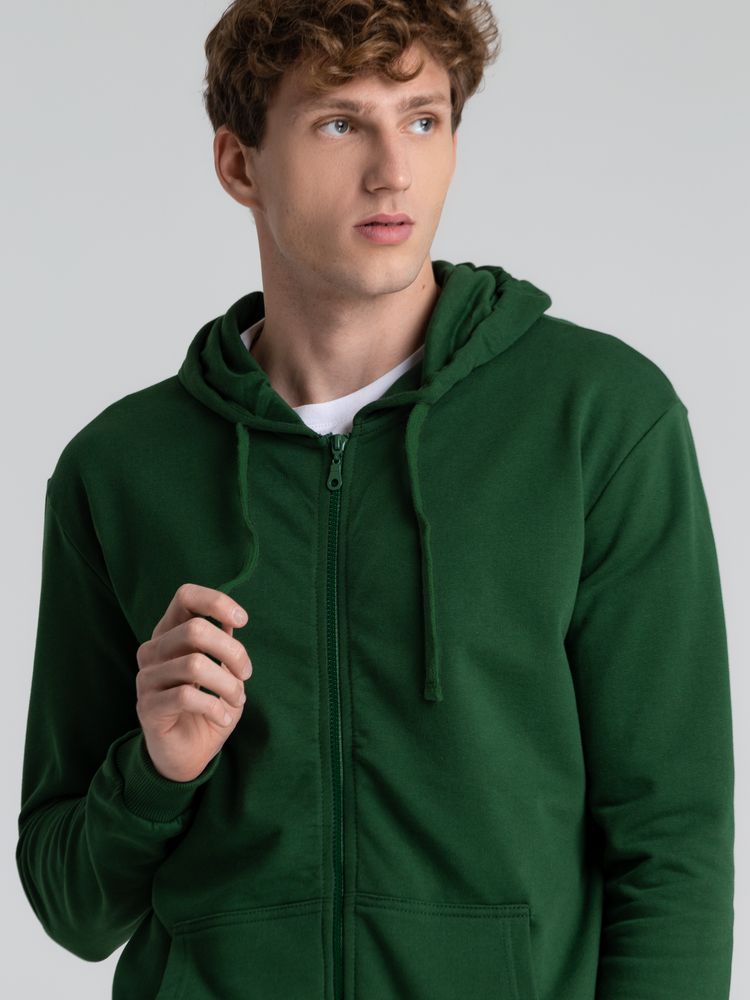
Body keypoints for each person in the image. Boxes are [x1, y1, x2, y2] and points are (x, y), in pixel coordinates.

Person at [16, 1, 734, 998]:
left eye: (423, 119)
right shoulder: (121, 469)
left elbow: (674, 839)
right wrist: (159, 768)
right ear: (239, 165)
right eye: (340, 122)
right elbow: (72, 907)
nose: (394, 170)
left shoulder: (597, 419)